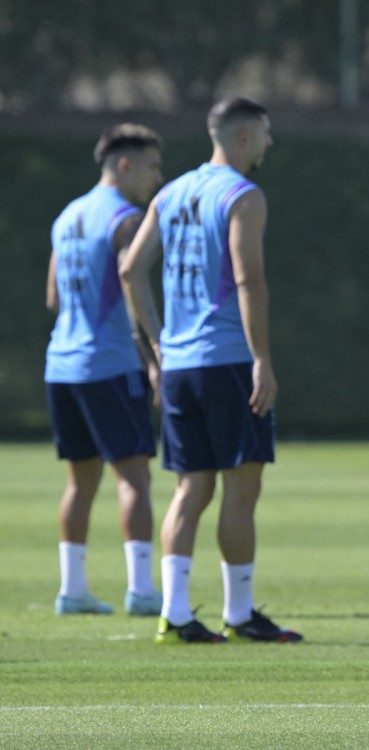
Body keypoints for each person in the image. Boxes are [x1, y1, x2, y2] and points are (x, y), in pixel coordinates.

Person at [120, 96, 301, 645]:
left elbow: (131, 270)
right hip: (227, 362)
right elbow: (249, 282)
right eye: (265, 134)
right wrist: (263, 361)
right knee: (241, 490)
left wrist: (156, 348)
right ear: (244, 138)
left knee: (189, 489)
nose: (269, 144)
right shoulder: (243, 196)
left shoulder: (172, 191)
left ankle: (175, 615)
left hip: (179, 367)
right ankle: (240, 613)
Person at [45, 123, 165, 617]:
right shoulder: (125, 218)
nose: (157, 177)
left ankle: (72, 591)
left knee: (80, 482)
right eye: (152, 166)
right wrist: (153, 353)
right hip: (108, 364)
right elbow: (130, 281)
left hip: (61, 364)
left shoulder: (67, 215)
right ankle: (141, 591)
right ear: (124, 164)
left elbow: (53, 297)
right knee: (134, 477)